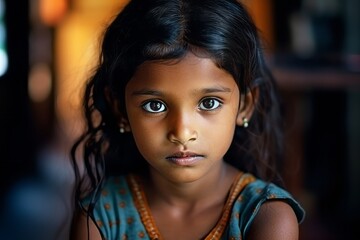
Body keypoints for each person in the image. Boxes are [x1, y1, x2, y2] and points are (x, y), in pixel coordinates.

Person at [70, 0, 305, 239]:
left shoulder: (267, 218)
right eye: (155, 105)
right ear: (120, 110)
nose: (182, 132)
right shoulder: (100, 217)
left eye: (209, 103)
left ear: (244, 105)